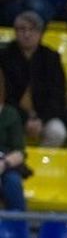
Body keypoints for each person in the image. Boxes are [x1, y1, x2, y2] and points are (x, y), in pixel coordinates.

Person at [1, 12, 67, 148]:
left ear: (41, 33)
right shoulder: (4, 56)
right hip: (10, 113)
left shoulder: (51, 57)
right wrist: (25, 119)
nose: (27, 34)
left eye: (32, 29)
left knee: (57, 132)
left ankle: (40, 166)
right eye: (22, 29)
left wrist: (41, 120)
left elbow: (57, 95)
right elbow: (4, 95)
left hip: (43, 115)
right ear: (15, 32)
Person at [0, 72, 25, 211]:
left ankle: (18, 228)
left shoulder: (10, 114)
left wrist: (4, 164)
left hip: (4, 163)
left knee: (13, 182)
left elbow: (19, 152)